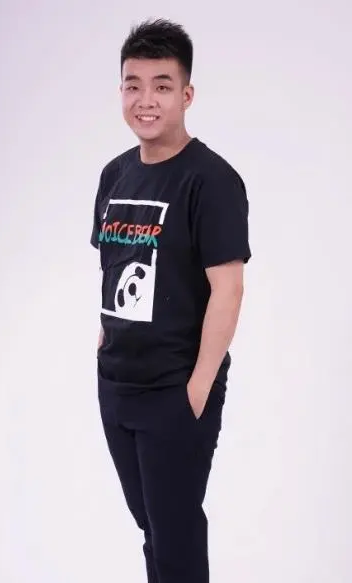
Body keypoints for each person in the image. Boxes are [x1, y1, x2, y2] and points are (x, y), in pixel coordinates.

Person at [90, 18, 251, 583]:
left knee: (176, 533)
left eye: (162, 85)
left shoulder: (211, 181)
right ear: (121, 91)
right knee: (151, 530)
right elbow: (111, 264)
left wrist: (198, 388)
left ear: (186, 95)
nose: (146, 100)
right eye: (133, 85)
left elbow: (228, 289)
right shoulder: (115, 174)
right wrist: (105, 344)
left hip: (175, 389)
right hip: (117, 385)